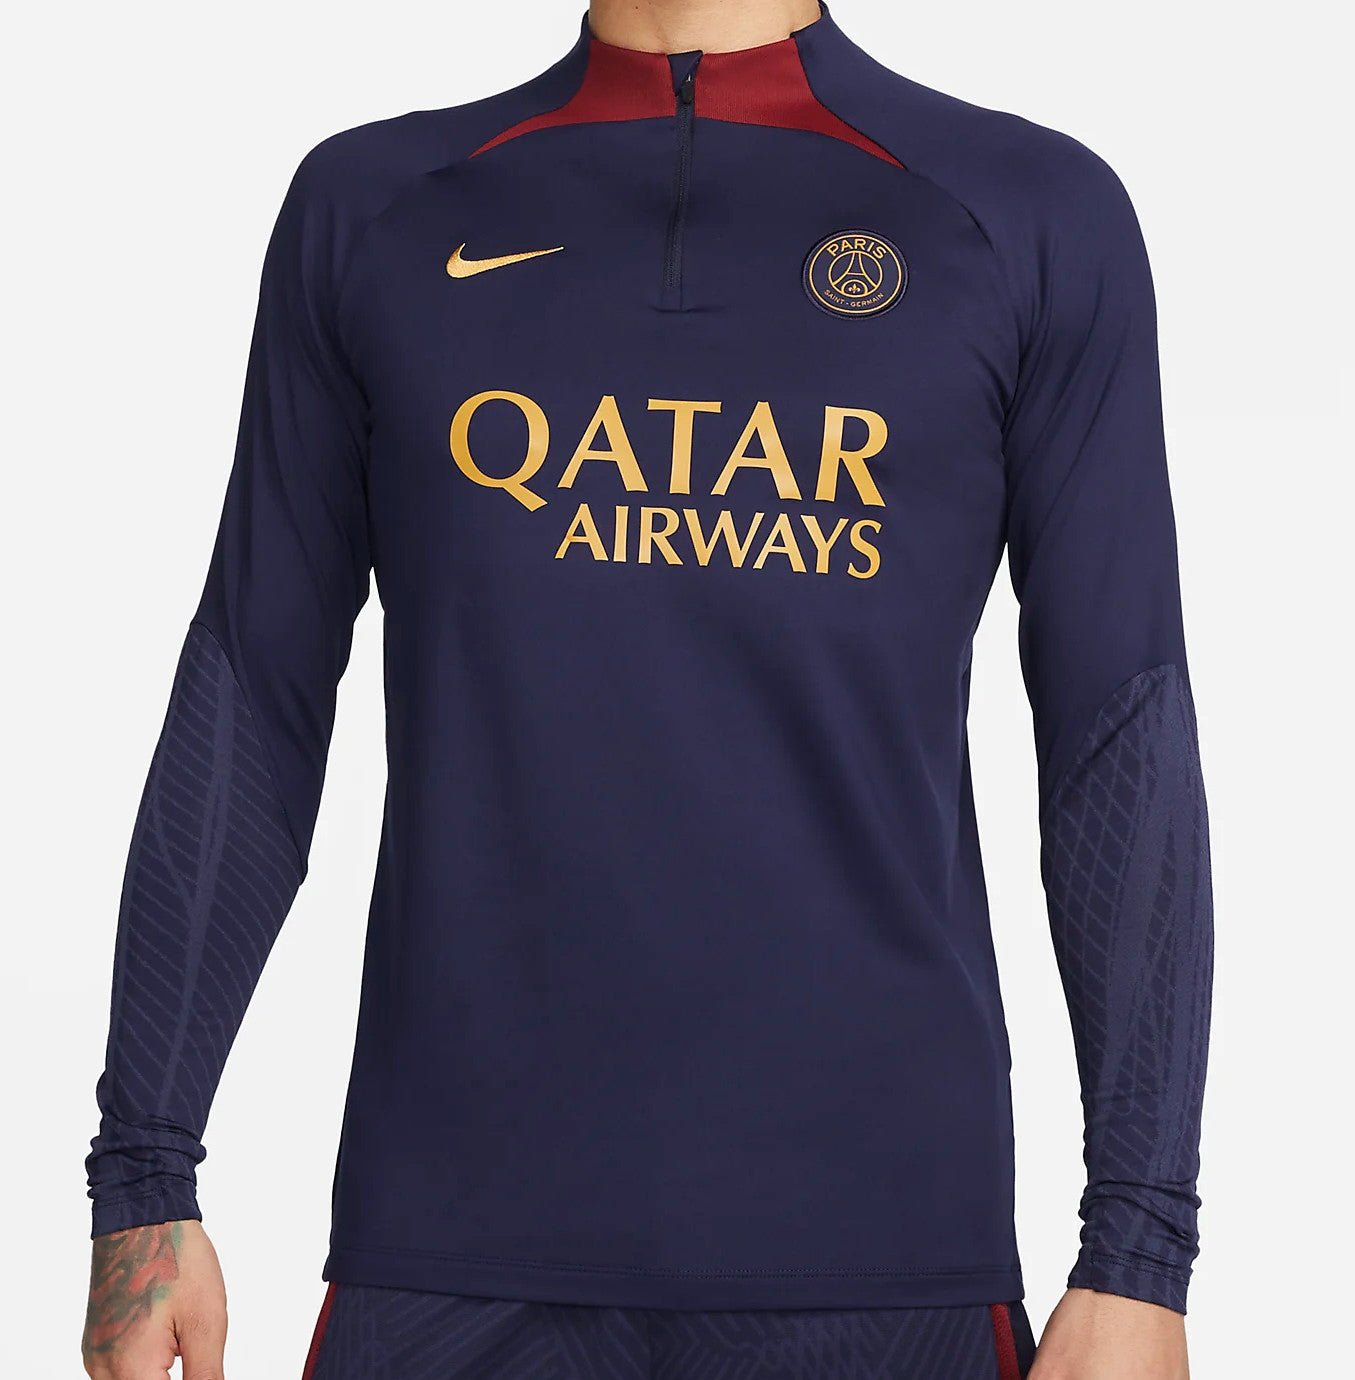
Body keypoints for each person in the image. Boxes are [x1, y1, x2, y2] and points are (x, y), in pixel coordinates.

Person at [80, 1, 1213, 1376]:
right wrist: (143, 1179)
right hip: (445, 1260)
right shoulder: (377, 208)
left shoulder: (1024, 213)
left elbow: (1117, 734)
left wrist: (1139, 1253)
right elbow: (252, 697)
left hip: (881, 1265)